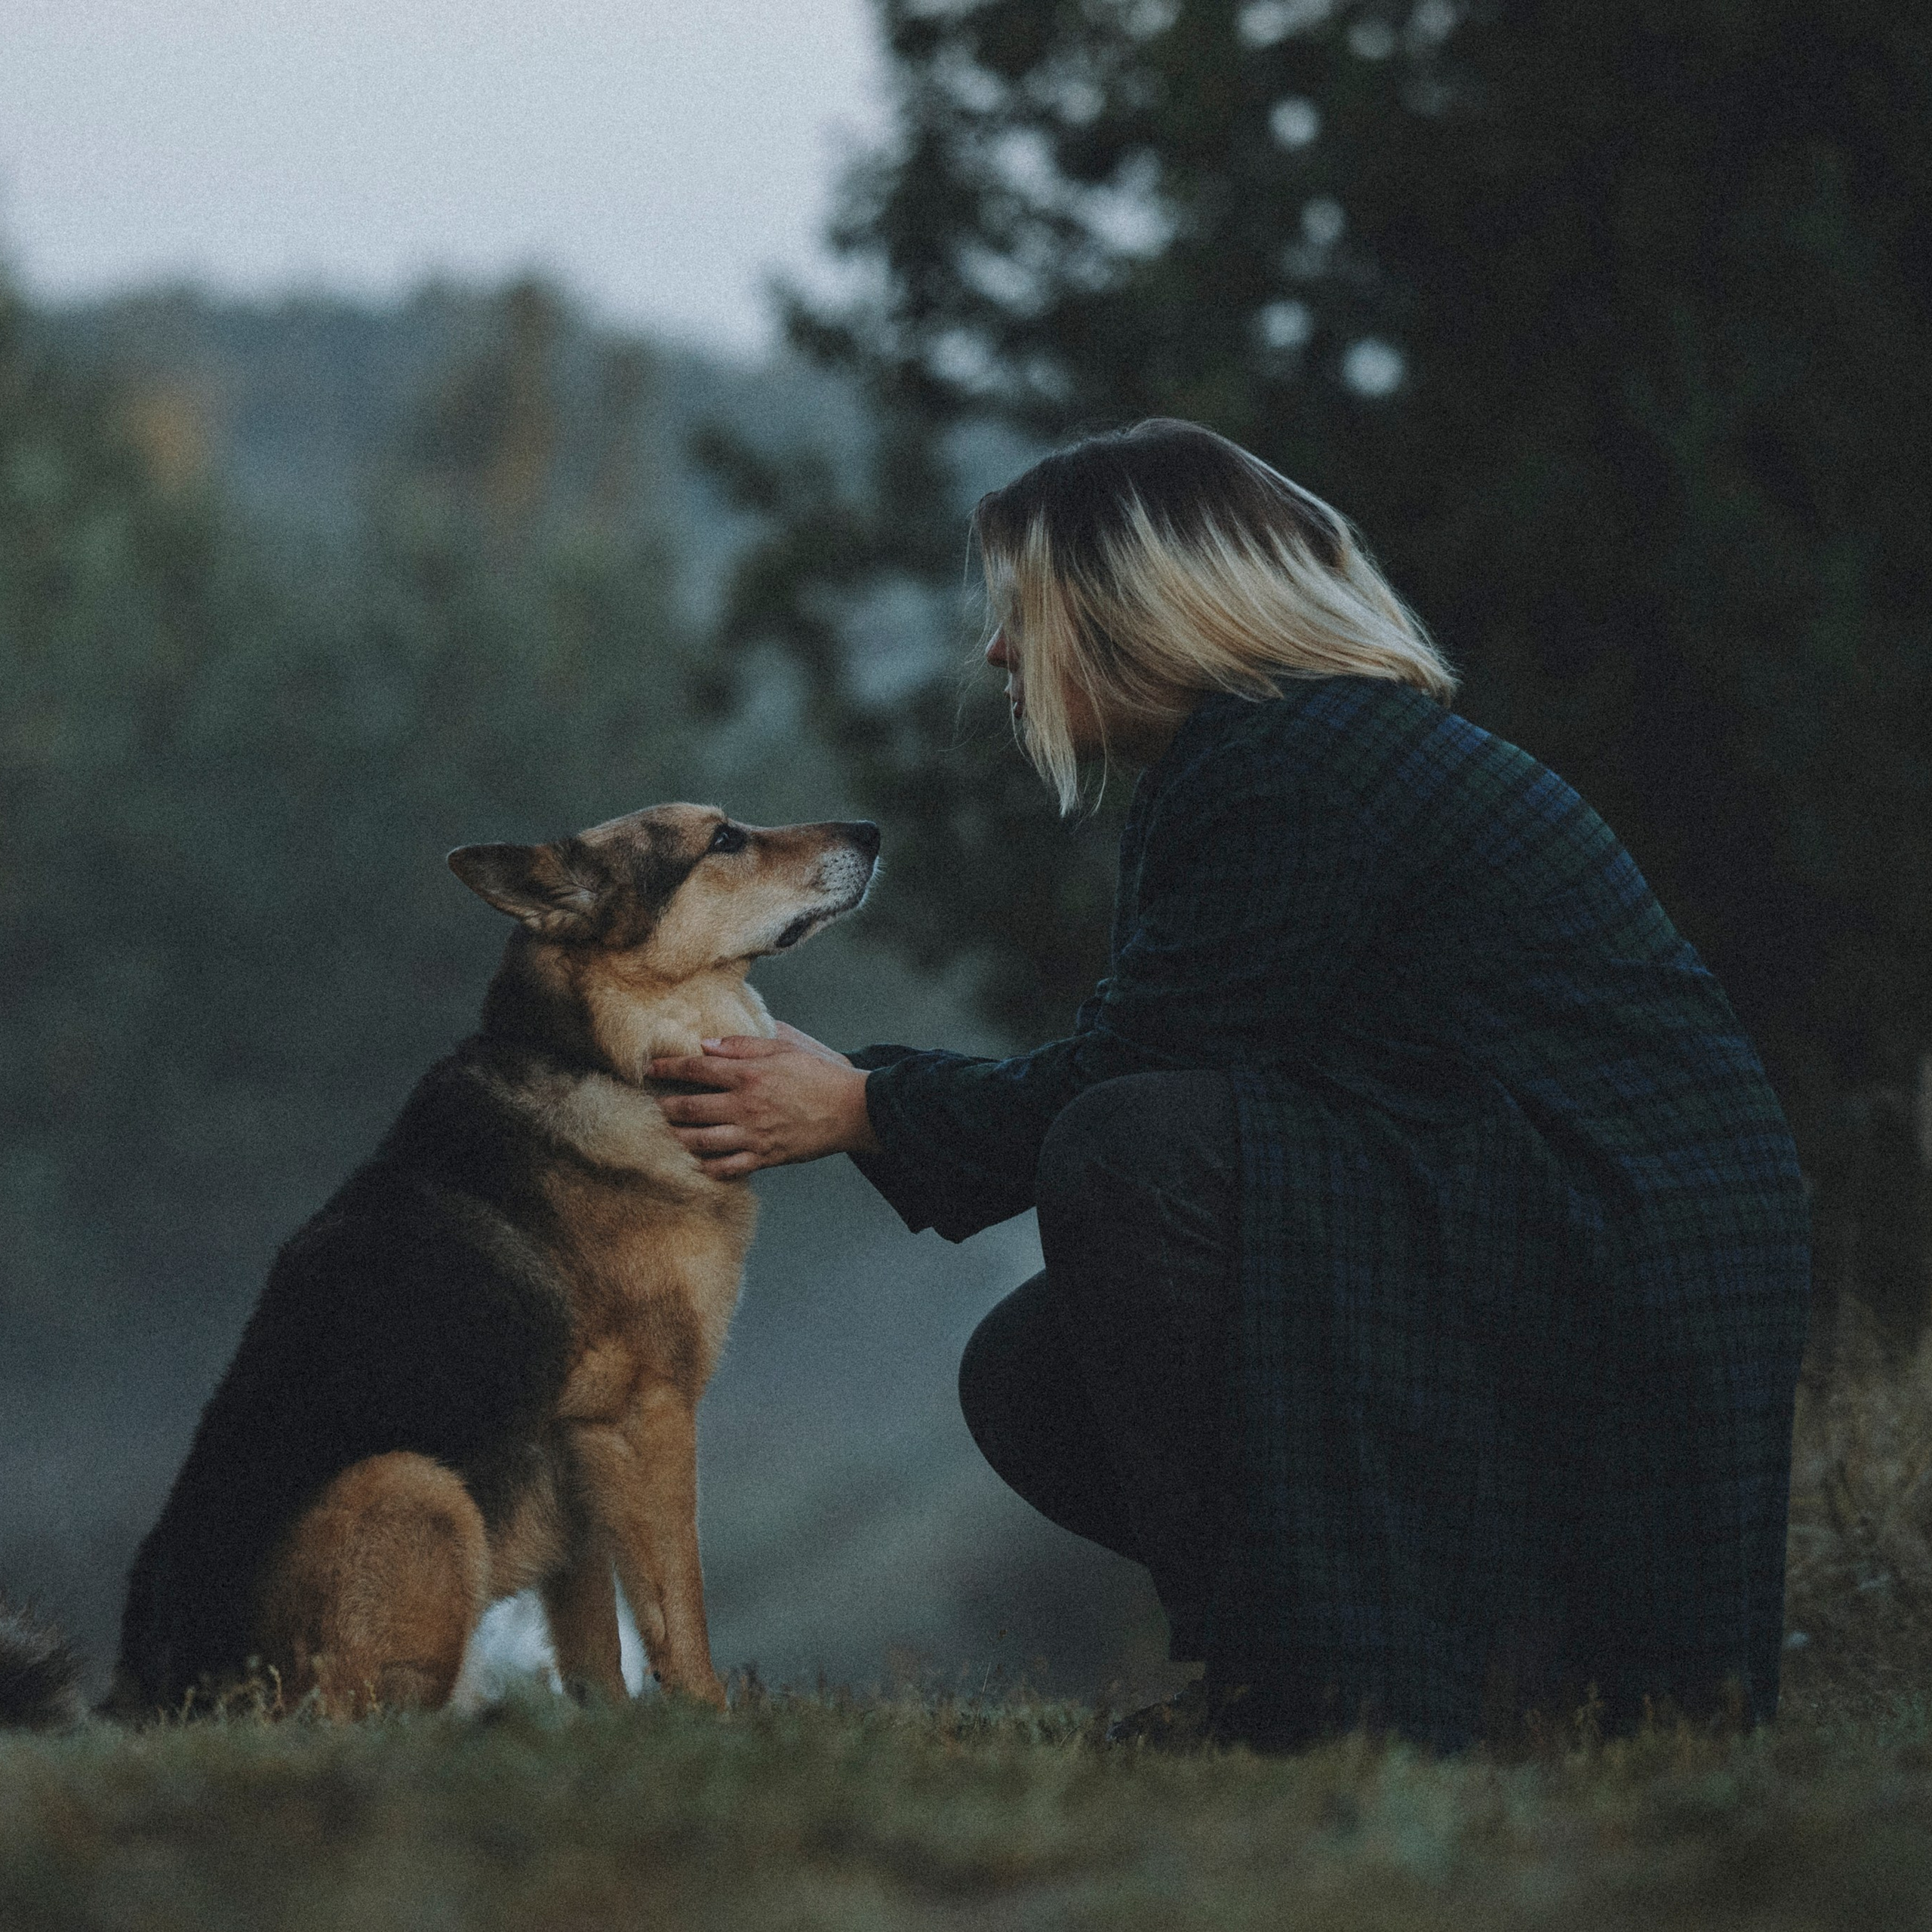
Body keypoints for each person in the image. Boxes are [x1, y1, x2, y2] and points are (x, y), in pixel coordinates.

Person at [651, 418, 1811, 1750]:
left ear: (1135, 611)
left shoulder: (1293, 766)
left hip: (1599, 1257)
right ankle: (1479, 1680)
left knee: (1135, 1150)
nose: (999, 652)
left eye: (1024, 614)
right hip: (1556, 1237)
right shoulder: (1295, 751)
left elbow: (1138, 1078)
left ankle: (1316, 1698)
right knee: (1039, 1370)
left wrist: (862, 1104)